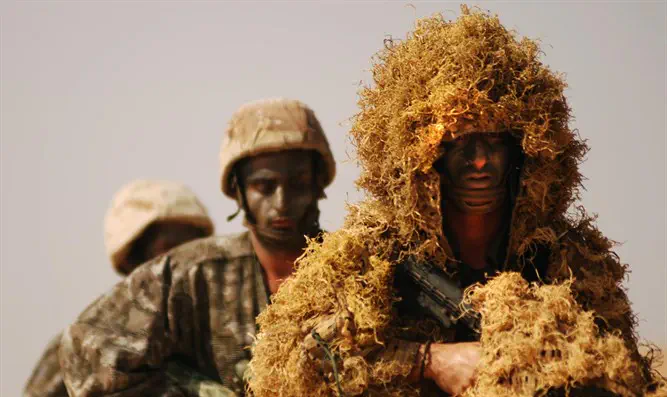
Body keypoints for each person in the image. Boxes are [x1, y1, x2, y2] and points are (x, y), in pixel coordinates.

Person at [247, 8, 657, 397]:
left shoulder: (567, 258)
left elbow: (619, 370)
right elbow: (296, 360)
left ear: (522, 152)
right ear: (423, 159)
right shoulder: (370, 255)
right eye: (457, 142)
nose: (479, 160)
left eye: (494, 141)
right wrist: (428, 361)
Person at [58, 98, 336, 396]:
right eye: (264, 187)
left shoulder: (357, 271)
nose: (281, 203)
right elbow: (84, 348)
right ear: (238, 190)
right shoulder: (195, 274)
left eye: (298, 183)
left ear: (318, 184)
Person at [23, 179, 215, 397]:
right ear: (132, 260)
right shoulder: (86, 346)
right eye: (170, 251)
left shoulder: (223, 333)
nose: (187, 259)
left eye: (196, 247)